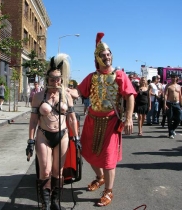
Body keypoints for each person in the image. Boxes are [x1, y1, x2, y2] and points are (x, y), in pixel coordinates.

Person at [77, 32, 136, 207]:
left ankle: (108, 191)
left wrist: (129, 117)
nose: (107, 57)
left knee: (108, 159)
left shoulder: (119, 75)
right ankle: (100, 177)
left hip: (111, 122)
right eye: (103, 55)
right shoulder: (92, 77)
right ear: (98, 58)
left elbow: (130, 96)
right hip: (92, 120)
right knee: (86, 152)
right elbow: (78, 92)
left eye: (109, 54)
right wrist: (62, 92)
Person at [26, 54, 79, 210]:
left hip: (61, 135)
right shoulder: (38, 97)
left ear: (61, 79)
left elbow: (71, 119)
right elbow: (34, 120)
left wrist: (76, 137)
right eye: (52, 79)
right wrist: (30, 140)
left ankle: (55, 201)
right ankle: (45, 203)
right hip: (43, 136)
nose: (55, 82)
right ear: (47, 79)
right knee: (46, 170)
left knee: (58, 171)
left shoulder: (66, 96)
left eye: (58, 79)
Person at [163, 73, 182, 139]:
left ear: (177, 78)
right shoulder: (168, 86)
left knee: (179, 118)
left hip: (177, 104)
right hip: (169, 103)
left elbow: (180, 96)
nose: (173, 78)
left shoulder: (179, 86)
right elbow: (165, 95)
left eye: (175, 77)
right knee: (170, 119)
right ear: (170, 78)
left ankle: (172, 129)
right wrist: (164, 104)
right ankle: (171, 133)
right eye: (172, 77)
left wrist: (181, 104)